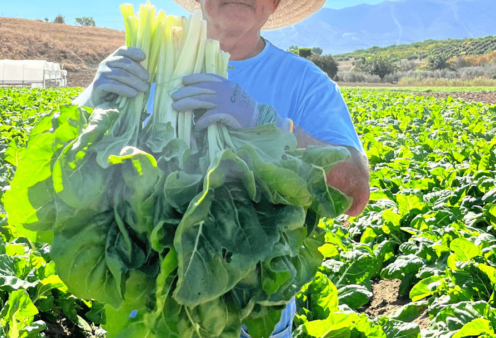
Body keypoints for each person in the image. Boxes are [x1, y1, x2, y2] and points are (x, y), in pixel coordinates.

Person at [72, 0, 370, 336]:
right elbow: (63, 179)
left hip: (251, 310)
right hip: (147, 309)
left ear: (274, 4)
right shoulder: (145, 59)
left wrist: (268, 122)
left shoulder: (305, 83)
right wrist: (92, 102)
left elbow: (356, 191)